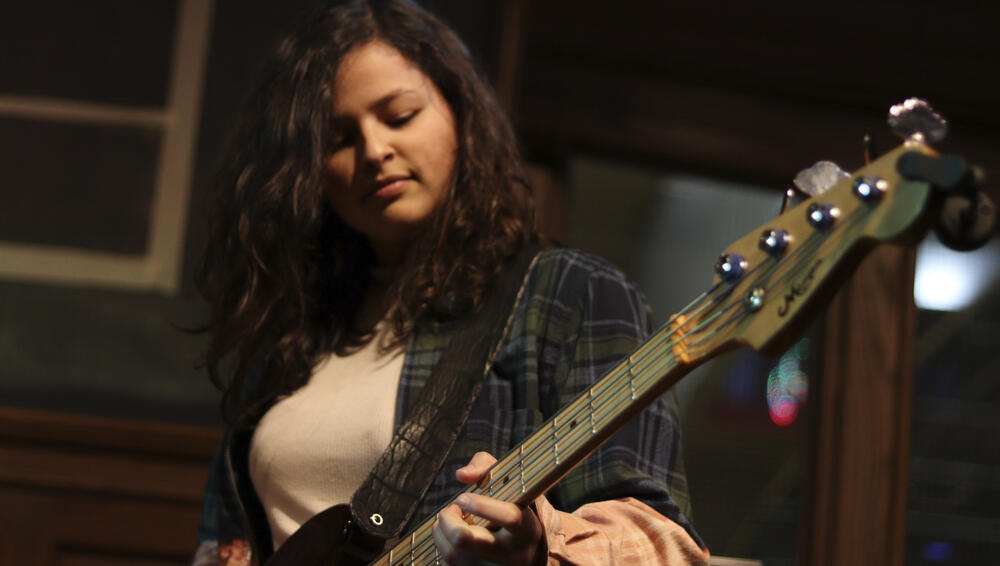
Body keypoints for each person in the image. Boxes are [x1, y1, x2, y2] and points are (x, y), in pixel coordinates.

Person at [192, 1, 708, 564]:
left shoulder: (572, 293)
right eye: (338, 138)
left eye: (399, 115)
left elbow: (662, 546)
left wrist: (538, 551)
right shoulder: (294, 333)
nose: (374, 149)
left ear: (460, 113)